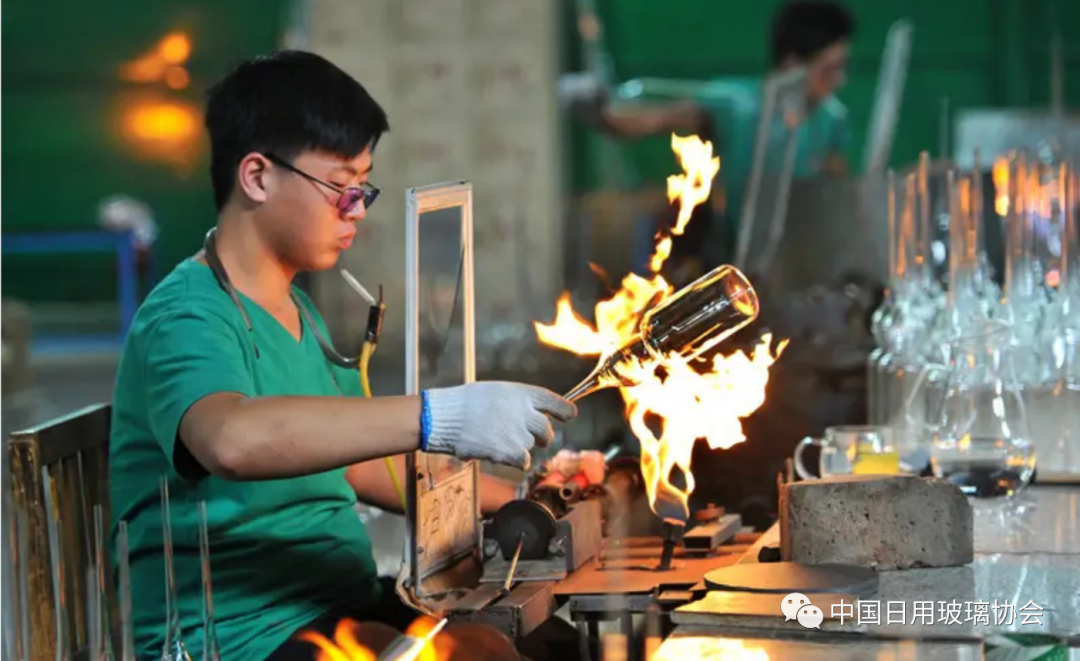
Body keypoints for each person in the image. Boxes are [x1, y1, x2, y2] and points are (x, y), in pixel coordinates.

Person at [108, 50, 577, 661]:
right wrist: (437, 415)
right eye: (340, 186)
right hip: (241, 637)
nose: (356, 209)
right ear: (257, 177)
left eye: (363, 188)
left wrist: (527, 497)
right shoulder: (188, 316)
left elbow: (359, 469)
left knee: (547, 641)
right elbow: (230, 439)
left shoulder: (298, 311)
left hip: (333, 602)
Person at [586, 0, 856, 266]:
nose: (840, 81)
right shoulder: (736, 105)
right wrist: (596, 112)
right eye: (830, 70)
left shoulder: (831, 119)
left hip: (795, 263)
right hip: (727, 258)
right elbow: (653, 121)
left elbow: (837, 192)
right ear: (792, 63)